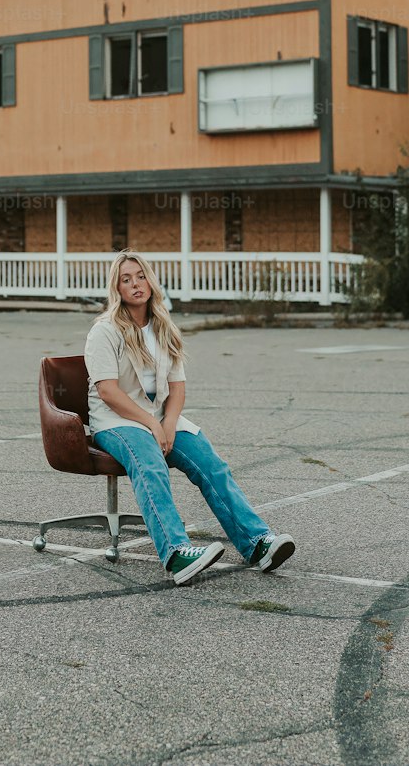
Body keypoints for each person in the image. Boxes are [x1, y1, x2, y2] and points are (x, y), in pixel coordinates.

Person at [85, 249, 296, 586]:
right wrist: (154, 425)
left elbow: (177, 388)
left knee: (210, 463)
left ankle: (257, 543)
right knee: (150, 461)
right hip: (116, 420)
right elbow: (108, 391)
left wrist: (167, 424)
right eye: (126, 279)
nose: (135, 284)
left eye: (140, 276)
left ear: (151, 282)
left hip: (157, 418)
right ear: (117, 288)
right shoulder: (105, 331)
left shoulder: (164, 327)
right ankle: (176, 553)